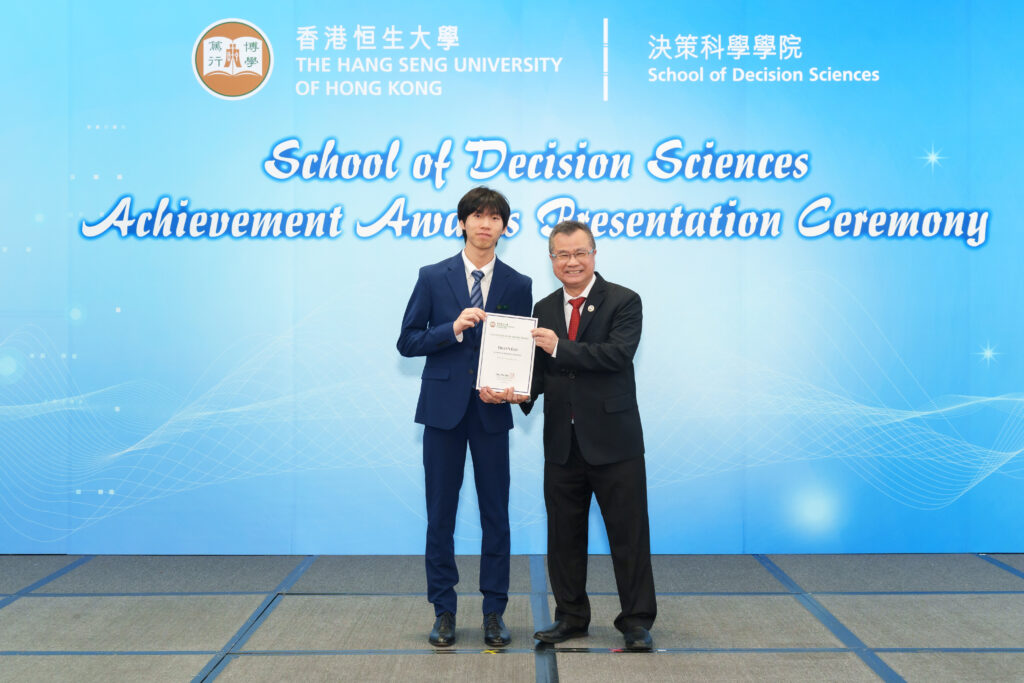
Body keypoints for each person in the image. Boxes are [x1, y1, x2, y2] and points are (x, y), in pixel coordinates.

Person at [397, 187, 532, 648]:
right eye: (477, 216)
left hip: (492, 412)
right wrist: (451, 329)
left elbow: (522, 351)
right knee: (441, 514)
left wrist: (516, 387)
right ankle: (444, 611)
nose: (485, 224)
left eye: (494, 217)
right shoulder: (433, 276)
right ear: (462, 223)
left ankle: (494, 612)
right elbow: (407, 341)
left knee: (496, 515)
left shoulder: (518, 283)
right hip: (442, 413)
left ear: (504, 227)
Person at [523, 219, 657, 651]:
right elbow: (539, 372)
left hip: (614, 442)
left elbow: (616, 355)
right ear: (551, 260)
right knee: (563, 536)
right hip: (562, 443)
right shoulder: (543, 307)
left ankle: (636, 621)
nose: (572, 261)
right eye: (562, 254)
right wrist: (514, 392)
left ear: (594, 254)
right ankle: (571, 617)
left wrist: (558, 347)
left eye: (580, 252)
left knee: (628, 535)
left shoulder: (624, 300)